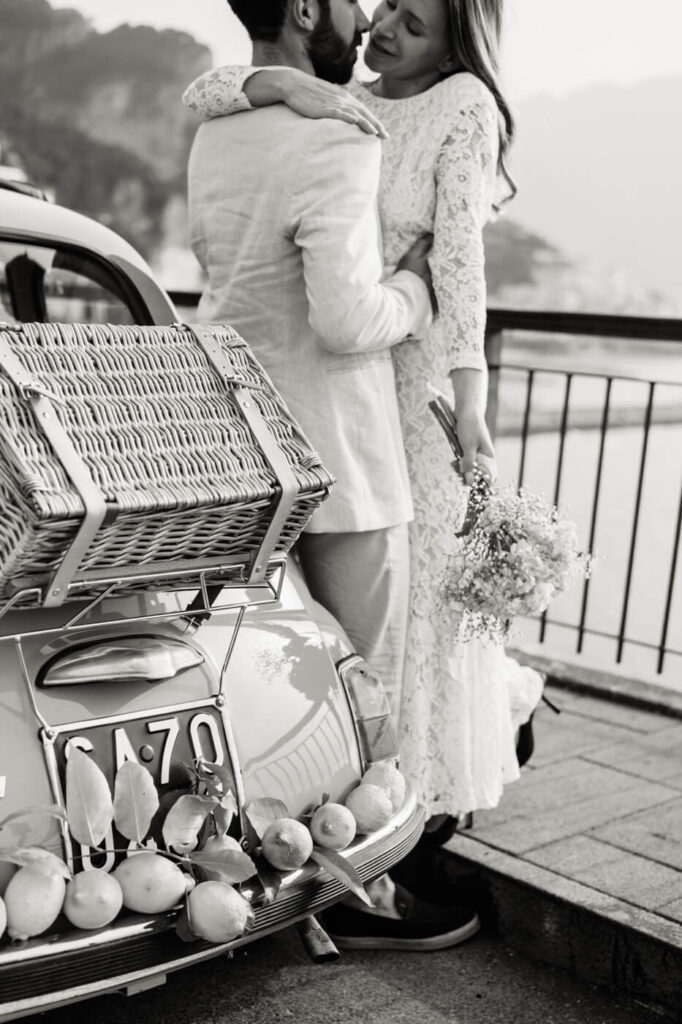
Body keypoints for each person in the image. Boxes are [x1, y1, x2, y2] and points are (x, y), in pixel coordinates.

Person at [184, 0, 544, 845]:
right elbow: (210, 89)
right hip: (357, 370)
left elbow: (460, 263)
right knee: (353, 650)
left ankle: (395, 823)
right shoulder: (337, 103)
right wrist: (275, 78)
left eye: (412, 25)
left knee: (417, 627)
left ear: (456, 43)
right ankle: (361, 845)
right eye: (385, 9)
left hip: (412, 385)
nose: (383, 28)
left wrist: (472, 404)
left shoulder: (463, 107)